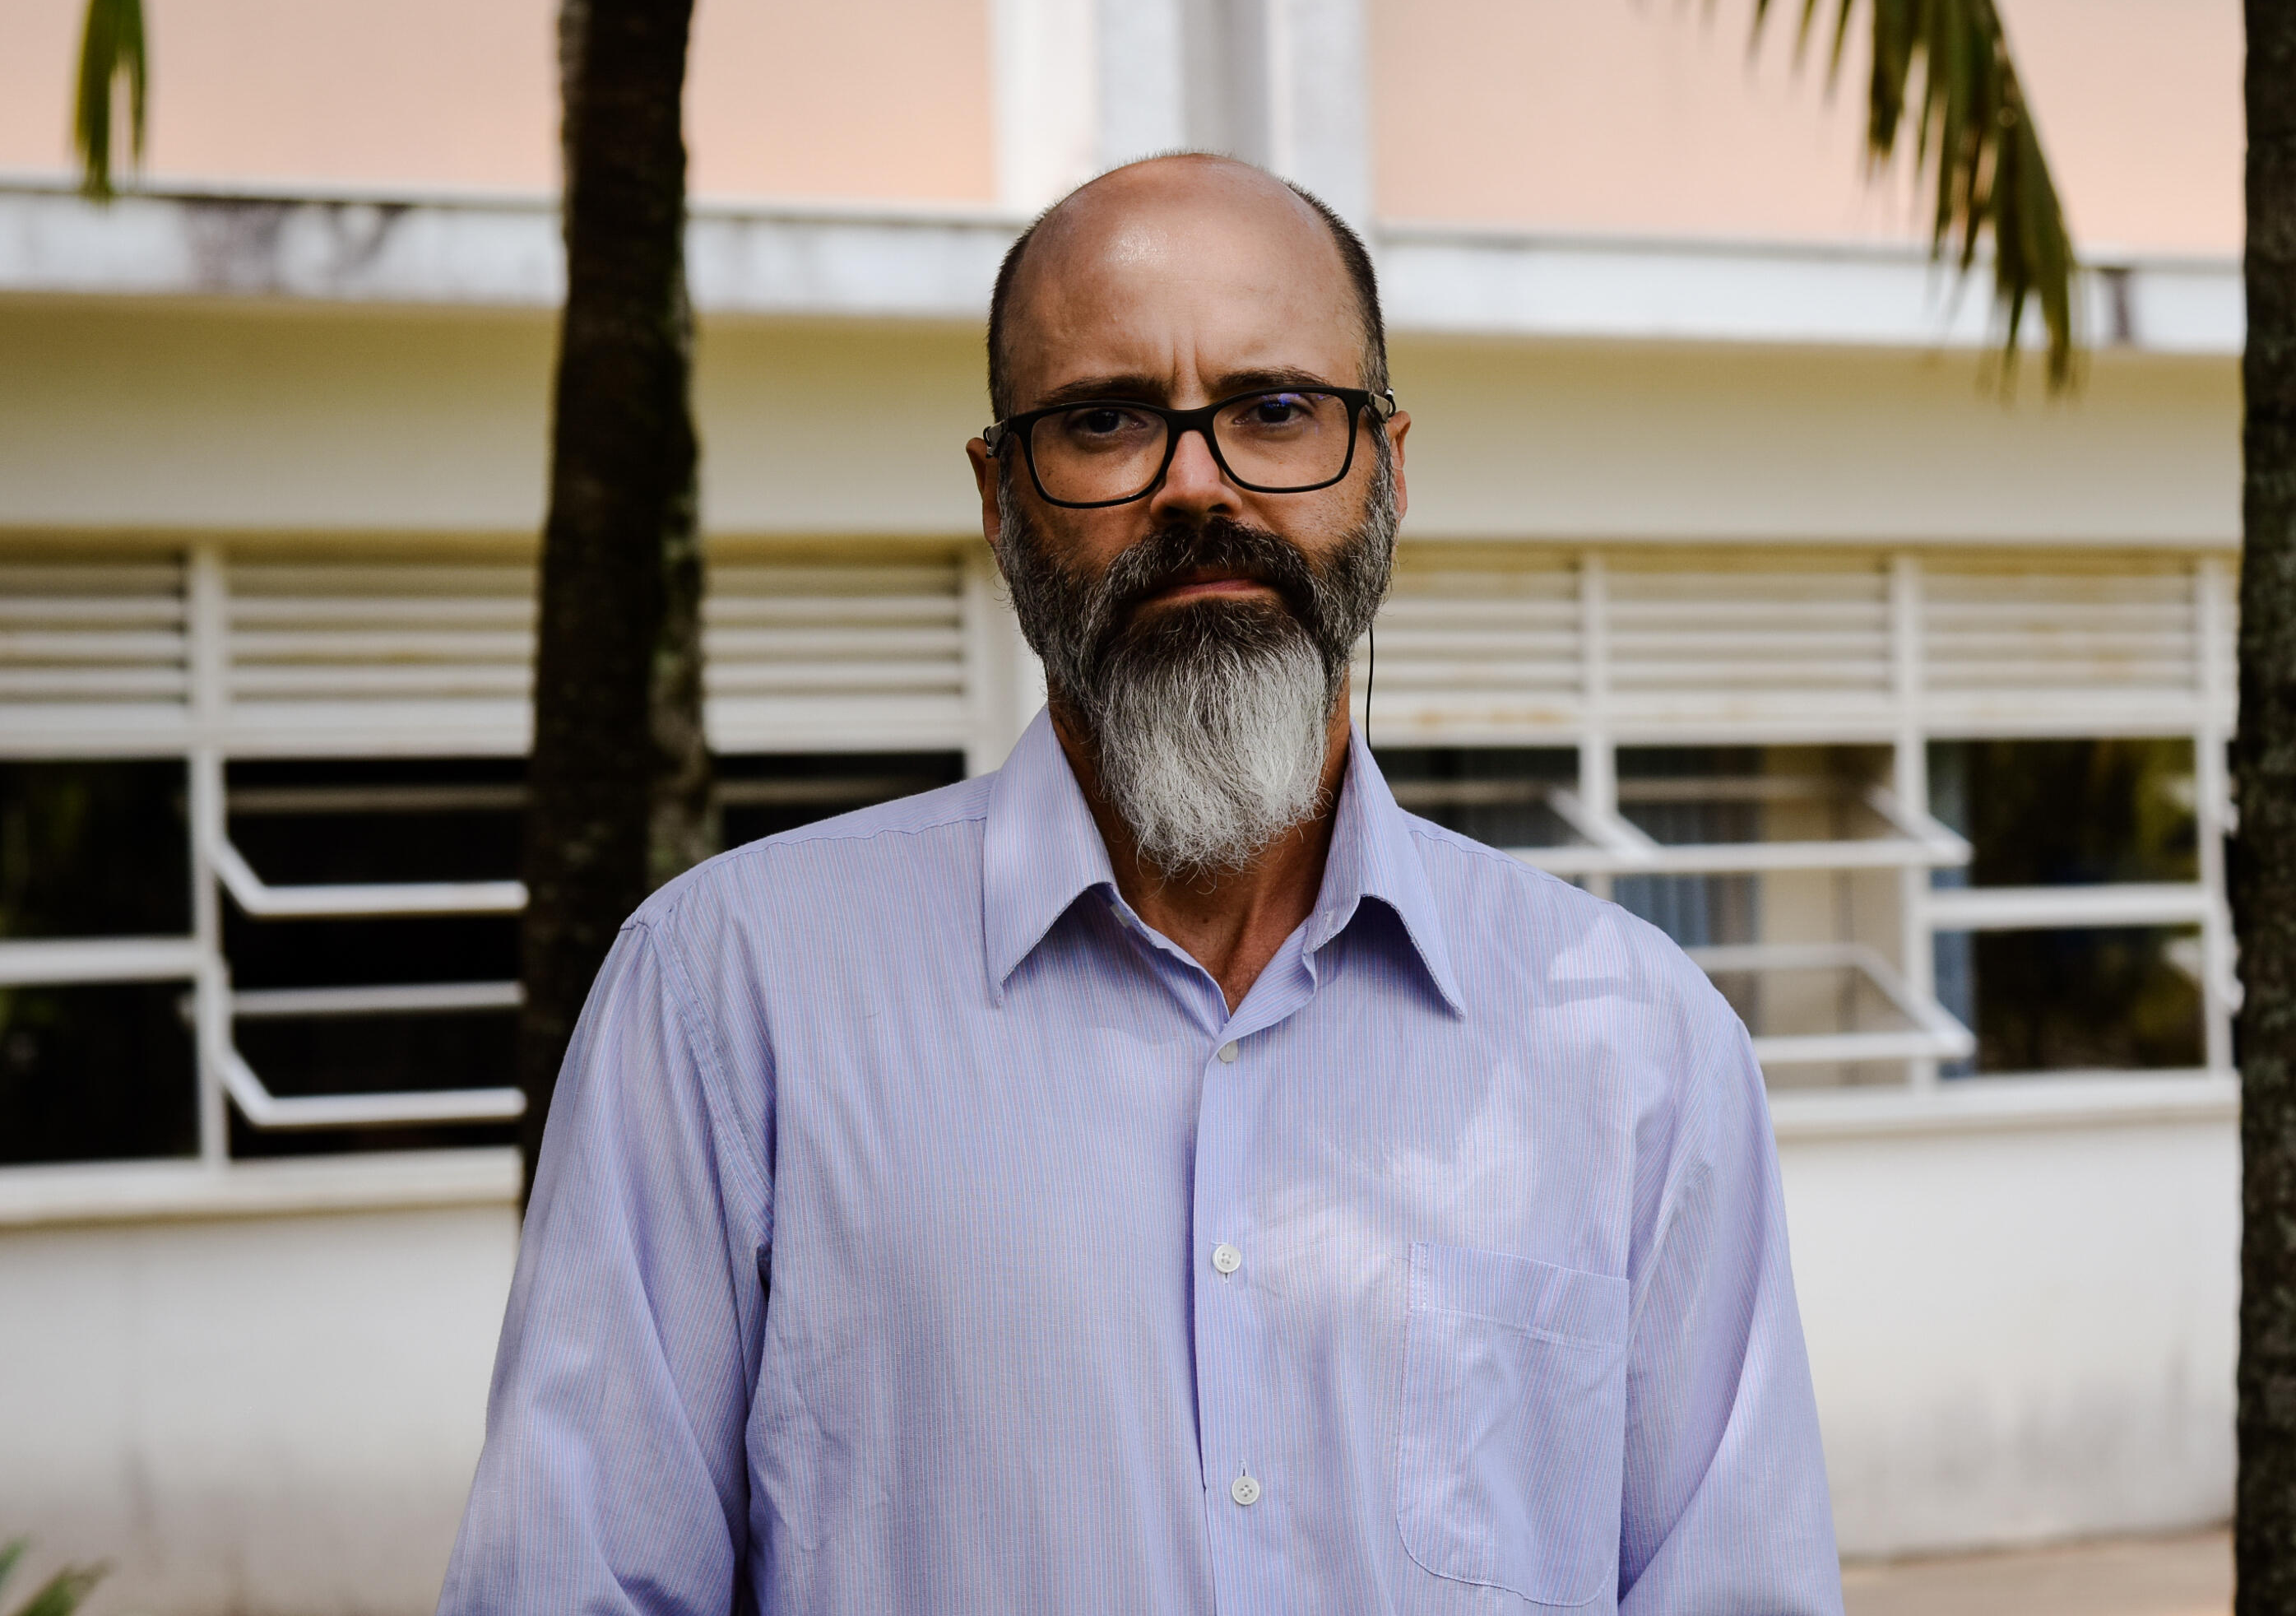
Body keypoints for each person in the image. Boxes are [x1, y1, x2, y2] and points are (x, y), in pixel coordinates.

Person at [439, 153, 1843, 1615]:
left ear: (1388, 467)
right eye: (1106, 419)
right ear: (1000, 497)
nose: (1197, 484)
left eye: (1276, 408)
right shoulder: (731, 996)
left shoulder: (1636, 1040)